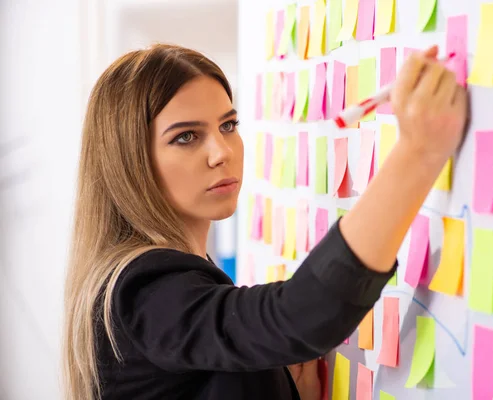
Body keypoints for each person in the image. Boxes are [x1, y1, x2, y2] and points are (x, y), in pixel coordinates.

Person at [62, 43, 467, 400]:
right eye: (186, 136)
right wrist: (419, 151)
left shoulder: (165, 278)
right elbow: (303, 314)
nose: (221, 152)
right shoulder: (141, 288)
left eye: (228, 125)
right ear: (129, 163)